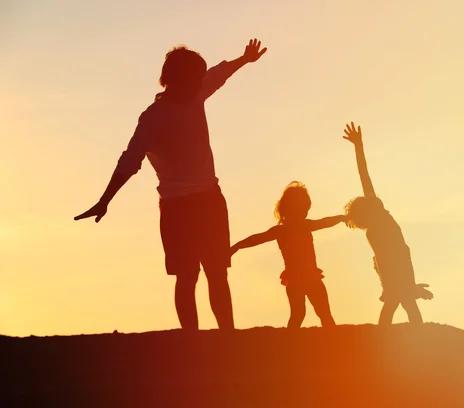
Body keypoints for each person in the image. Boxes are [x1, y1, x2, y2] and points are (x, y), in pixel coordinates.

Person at [74, 39, 268, 331]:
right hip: (177, 207)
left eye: (200, 78)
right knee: (187, 275)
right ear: (175, 79)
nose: (200, 83)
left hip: (210, 199)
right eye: (194, 78)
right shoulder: (153, 118)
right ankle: (191, 339)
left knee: (217, 273)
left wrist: (244, 59)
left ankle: (228, 335)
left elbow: (218, 74)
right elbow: (129, 161)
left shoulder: (197, 92)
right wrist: (105, 199)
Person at [342, 122, 433, 325]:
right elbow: (364, 175)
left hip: (396, 265)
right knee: (402, 303)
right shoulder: (376, 223)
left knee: (401, 303)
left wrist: (359, 146)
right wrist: (403, 284)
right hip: (394, 267)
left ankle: (390, 335)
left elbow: (364, 175)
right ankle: (392, 337)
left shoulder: (377, 213)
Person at [230, 181, 345, 328]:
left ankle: (334, 344)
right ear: (288, 209)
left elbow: (325, 222)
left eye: (305, 209)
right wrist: (237, 246)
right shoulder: (281, 231)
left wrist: (341, 218)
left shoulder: (306, 225)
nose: (304, 213)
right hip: (295, 280)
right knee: (298, 314)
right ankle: (290, 345)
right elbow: (258, 238)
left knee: (324, 313)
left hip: (312, 277)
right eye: (300, 208)